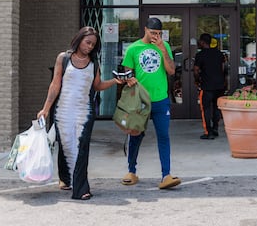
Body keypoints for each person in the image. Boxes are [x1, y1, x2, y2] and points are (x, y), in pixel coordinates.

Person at [37, 26, 123, 200]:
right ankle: (66, 179)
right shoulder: (64, 58)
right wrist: (45, 109)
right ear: (79, 39)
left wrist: (115, 81)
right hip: (62, 111)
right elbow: (55, 85)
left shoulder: (93, 63)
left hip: (84, 112)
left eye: (93, 44)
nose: (90, 47)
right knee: (66, 146)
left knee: (81, 149)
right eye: (88, 42)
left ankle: (81, 188)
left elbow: (97, 86)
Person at [120, 17, 181, 189]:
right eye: (153, 33)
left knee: (163, 136)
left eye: (159, 34)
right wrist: (129, 79)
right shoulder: (133, 49)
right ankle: (131, 171)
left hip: (161, 100)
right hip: (140, 101)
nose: (156, 36)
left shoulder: (164, 46)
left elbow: (171, 70)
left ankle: (166, 175)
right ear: (145, 29)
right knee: (135, 135)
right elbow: (128, 73)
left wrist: (162, 48)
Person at [194, 33, 226, 140]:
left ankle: (208, 132)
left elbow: (196, 70)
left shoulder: (200, 55)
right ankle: (215, 128)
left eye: (200, 41)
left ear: (203, 42)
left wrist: (197, 80)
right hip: (220, 86)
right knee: (217, 108)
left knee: (206, 109)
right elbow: (222, 68)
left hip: (207, 86)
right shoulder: (219, 54)